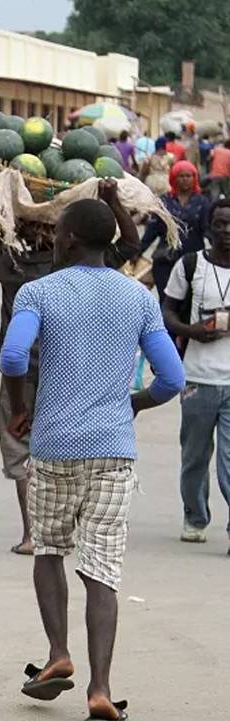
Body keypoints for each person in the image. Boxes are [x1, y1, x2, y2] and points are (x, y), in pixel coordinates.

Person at [0, 196, 185, 721]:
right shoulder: (138, 298)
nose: (54, 240)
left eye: (58, 233)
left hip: (55, 446)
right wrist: (130, 404)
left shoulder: (39, 293)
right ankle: (100, 689)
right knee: (102, 569)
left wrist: (20, 409)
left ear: (71, 240)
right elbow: (170, 380)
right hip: (112, 451)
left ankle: (59, 654)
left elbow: (14, 356)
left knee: (50, 550)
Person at [0, 132, 142, 556]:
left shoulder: (11, 263)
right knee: (74, 448)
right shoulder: (83, 264)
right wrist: (113, 198)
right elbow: (131, 245)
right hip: (72, 374)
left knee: (20, 450)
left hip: (21, 377)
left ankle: (33, 533)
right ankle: (75, 526)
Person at [162, 198, 230, 549]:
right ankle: (195, 516)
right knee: (194, 457)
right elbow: (167, 311)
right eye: (220, 224)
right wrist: (191, 332)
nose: (227, 231)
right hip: (197, 378)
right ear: (209, 227)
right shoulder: (190, 266)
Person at [141, 160, 210, 302]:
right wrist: (136, 252)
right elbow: (151, 232)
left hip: (193, 261)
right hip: (166, 260)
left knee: (189, 301)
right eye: (181, 176)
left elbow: (208, 230)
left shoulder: (202, 202)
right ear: (174, 178)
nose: (185, 179)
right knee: (166, 301)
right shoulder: (163, 202)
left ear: (194, 178)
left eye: (188, 176)